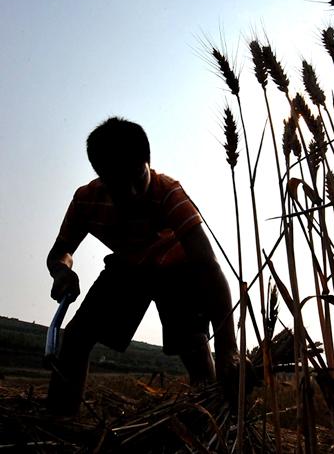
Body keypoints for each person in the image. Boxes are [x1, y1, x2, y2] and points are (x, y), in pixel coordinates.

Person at [46, 116, 251, 415]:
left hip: (178, 269)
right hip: (128, 268)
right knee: (76, 337)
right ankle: (58, 426)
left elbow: (209, 267)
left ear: (148, 163)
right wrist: (62, 271)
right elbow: (59, 253)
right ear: (101, 177)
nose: (130, 191)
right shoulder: (86, 201)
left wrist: (229, 348)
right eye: (117, 182)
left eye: (137, 177)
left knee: (194, 346)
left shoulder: (169, 195)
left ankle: (211, 425)